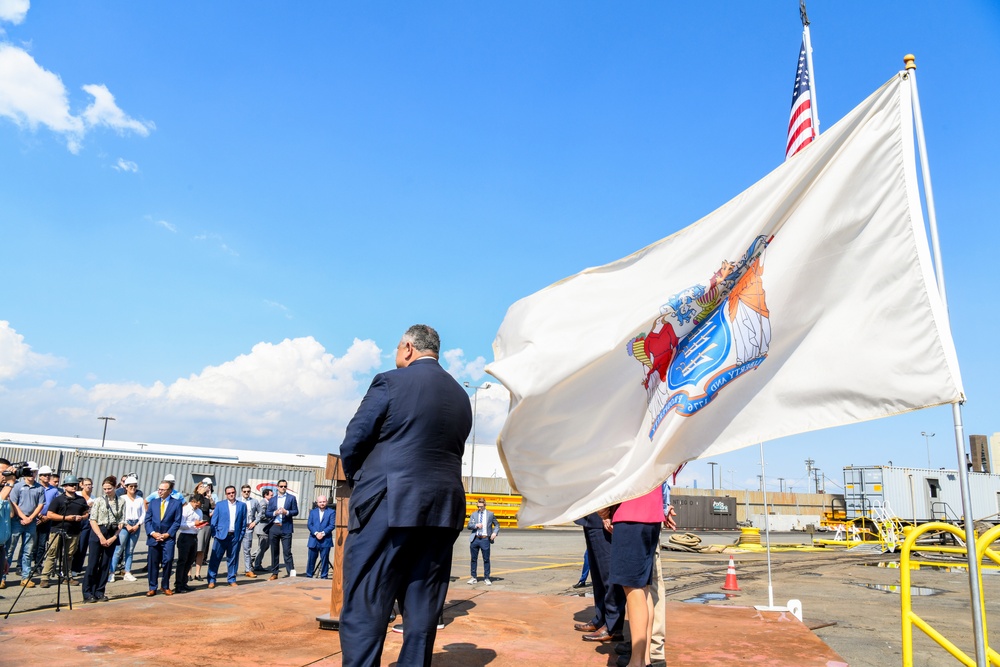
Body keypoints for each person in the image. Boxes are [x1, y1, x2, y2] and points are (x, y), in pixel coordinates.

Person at [339, 324, 473, 667]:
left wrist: (359, 478)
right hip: (443, 509)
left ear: (409, 348)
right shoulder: (461, 395)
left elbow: (354, 441)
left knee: (367, 597)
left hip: (389, 503)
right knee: (424, 598)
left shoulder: (390, 381)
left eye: (398, 348)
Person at [601, 484, 667, 667]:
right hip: (652, 514)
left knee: (633, 589)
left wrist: (603, 509)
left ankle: (636, 662)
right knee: (644, 590)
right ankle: (644, 658)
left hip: (630, 514)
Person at [574, 511, 626, 643]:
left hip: (604, 517)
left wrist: (607, 514)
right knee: (598, 575)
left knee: (608, 574)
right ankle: (601, 619)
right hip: (591, 517)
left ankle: (613, 627)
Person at [38, 475, 90, 588]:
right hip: (58, 530)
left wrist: (83, 517)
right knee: (52, 554)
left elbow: (86, 512)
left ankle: (67, 576)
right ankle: (45, 577)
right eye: (71, 485)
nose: (74, 487)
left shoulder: (81, 500)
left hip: (74, 531)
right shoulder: (59, 500)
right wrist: (67, 518)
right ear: (65, 486)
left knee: (69, 555)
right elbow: (50, 515)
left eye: (75, 485)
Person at [82, 476, 125, 602]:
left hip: (112, 532)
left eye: (109, 488)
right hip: (98, 532)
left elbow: (122, 521)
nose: (107, 491)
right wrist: (100, 536)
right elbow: (93, 519)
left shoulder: (121, 501)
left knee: (105, 564)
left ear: (114, 487)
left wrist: (114, 537)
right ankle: (88, 592)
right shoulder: (99, 501)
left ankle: (100, 591)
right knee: (93, 564)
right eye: (104, 489)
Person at [7, 463, 44, 587]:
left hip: (31, 522)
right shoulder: (17, 486)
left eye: (34, 472)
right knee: (10, 550)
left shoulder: (39, 488)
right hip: (17, 521)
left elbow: (40, 504)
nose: (32, 474)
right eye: (30, 471)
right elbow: (13, 503)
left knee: (28, 551)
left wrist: (31, 518)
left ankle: (26, 577)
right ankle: (2, 577)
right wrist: (23, 517)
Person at [145, 480, 182, 596]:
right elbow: (148, 520)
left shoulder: (176, 503)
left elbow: (177, 522)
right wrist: (152, 533)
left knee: (168, 561)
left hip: (168, 538)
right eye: (159, 489)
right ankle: (152, 587)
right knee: (153, 563)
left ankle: (165, 585)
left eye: (163, 489)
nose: (159, 491)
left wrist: (167, 534)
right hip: (154, 537)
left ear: (169, 491)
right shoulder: (154, 502)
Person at [207, 485, 247, 588]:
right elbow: (214, 521)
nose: (231, 495)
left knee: (233, 559)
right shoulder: (220, 505)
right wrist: (215, 534)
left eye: (232, 492)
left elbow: (243, 522)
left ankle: (231, 579)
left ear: (235, 492)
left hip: (235, 537)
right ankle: (211, 579)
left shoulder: (242, 506)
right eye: (229, 493)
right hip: (221, 536)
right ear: (226, 494)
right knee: (215, 559)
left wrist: (241, 535)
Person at [109, 475, 145, 582]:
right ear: (126, 487)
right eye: (130, 486)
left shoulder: (139, 499)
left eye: (135, 486)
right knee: (118, 549)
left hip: (136, 525)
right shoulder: (122, 499)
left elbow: (143, 513)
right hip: (124, 525)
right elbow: (118, 514)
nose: (133, 488)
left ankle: (127, 571)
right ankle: (111, 572)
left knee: (130, 550)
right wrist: (126, 525)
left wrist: (138, 524)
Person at [264, 479, 298, 580]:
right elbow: (267, 513)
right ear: (277, 487)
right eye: (281, 486)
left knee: (287, 552)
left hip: (286, 527)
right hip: (274, 527)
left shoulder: (291, 498)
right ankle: (274, 572)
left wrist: (286, 512)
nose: (283, 488)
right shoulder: (273, 499)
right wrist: (275, 513)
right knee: (274, 551)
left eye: (285, 486)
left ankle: (291, 573)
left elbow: (296, 511)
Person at [174, 494, 206, 593]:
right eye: (197, 504)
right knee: (182, 561)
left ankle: (184, 583)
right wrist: (193, 524)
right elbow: (180, 525)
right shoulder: (185, 510)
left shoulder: (199, 511)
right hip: (185, 536)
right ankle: (178, 584)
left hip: (194, 536)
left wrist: (200, 525)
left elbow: (198, 524)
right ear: (193, 501)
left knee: (190, 560)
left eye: (199, 505)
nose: (198, 507)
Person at [467, 497, 499, 585]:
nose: (479, 508)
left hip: (485, 539)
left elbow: (497, 525)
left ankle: (487, 577)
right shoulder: (474, 514)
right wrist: (475, 525)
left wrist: (494, 533)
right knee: (473, 559)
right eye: (478, 506)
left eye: (481, 506)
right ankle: (473, 577)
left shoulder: (490, 514)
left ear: (485, 505)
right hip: (475, 538)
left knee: (486, 559)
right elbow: (469, 525)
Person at [306, 495, 335, 579]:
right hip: (313, 539)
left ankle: (324, 576)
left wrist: (322, 533)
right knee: (311, 560)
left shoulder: (331, 512)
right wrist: (316, 533)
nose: (322, 503)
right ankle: (309, 576)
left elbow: (332, 525)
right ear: (317, 503)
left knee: (325, 560)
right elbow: (309, 524)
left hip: (325, 540)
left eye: (323, 501)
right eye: (320, 502)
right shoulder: (313, 512)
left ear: (326, 502)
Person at [71, 477, 95, 575]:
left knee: (82, 545)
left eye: (90, 484)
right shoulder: (77, 495)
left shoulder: (94, 498)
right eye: (86, 484)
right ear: (81, 485)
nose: (88, 486)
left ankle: (76, 568)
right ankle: (66, 566)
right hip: (75, 520)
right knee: (72, 545)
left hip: (87, 522)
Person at [193, 479, 215, 581]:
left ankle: (197, 573)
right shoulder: (193, 498)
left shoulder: (207, 499)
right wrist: (200, 495)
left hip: (206, 525)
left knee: (201, 550)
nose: (203, 488)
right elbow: (194, 506)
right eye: (200, 487)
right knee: (193, 549)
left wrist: (209, 497)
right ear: (197, 489)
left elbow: (213, 506)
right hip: (195, 525)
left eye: (204, 487)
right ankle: (188, 573)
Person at [239, 484, 263, 578]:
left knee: (247, 550)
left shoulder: (254, 501)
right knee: (234, 550)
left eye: (248, 491)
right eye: (244, 491)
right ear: (242, 492)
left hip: (248, 528)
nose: (246, 493)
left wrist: (255, 522)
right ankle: (232, 570)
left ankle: (248, 570)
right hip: (237, 528)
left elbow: (261, 512)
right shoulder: (238, 500)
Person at [0, 459, 15, 594]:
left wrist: (4, 556)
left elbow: (11, 515)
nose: (5, 476)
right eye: (2, 473)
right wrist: (10, 483)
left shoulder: (4, 493)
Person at [251, 488, 274, 573]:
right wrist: (272, 517)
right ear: (266, 495)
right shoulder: (263, 503)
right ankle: (257, 564)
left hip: (265, 528)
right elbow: (262, 515)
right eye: (271, 495)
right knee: (262, 546)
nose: (272, 496)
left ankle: (252, 560)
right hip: (262, 528)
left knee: (264, 546)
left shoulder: (268, 503)